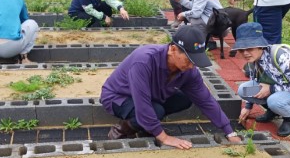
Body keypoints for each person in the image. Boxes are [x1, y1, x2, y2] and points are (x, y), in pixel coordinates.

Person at [100, 25, 242, 149]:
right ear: (173, 49)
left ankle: (147, 125)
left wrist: (229, 131)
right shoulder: (144, 61)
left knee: (186, 98)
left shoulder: (188, 70)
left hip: (151, 95)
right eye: (189, 60)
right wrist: (164, 137)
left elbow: (206, 100)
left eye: (195, 61)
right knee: (156, 111)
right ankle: (121, 130)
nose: (192, 66)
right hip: (118, 96)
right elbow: (143, 105)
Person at [234, 22, 290, 137]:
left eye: (249, 48)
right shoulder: (253, 60)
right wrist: (248, 107)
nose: (245, 53)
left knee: (274, 101)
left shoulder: (280, 56)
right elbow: (254, 81)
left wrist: (271, 89)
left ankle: (289, 117)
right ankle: (273, 111)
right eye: (241, 49)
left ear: (260, 45)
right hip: (276, 89)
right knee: (244, 90)